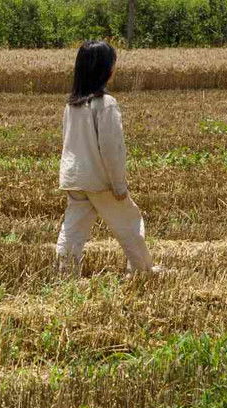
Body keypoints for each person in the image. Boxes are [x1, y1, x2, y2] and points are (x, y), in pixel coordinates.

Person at [54, 40, 160, 277]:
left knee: (73, 230)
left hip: (74, 178)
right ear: (106, 70)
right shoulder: (106, 104)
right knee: (129, 223)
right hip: (101, 180)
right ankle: (142, 270)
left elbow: (68, 142)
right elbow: (111, 149)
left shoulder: (72, 105)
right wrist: (119, 185)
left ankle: (65, 274)